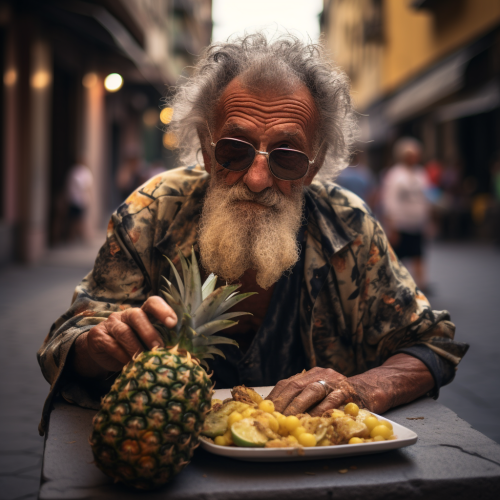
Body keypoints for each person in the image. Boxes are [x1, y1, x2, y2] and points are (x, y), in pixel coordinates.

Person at [37, 34, 467, 435]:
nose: (257, 178)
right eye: (234, 150)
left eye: (287, 157)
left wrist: (364, 388)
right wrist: (95, 346)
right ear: (207, 151)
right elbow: (65, 338)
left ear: (313, 167)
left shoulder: (348, 226)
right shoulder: (153, 211)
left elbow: (432, 343)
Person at [381, 138, 431, 291]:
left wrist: (429, 220)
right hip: (401, 224)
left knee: (419, 256)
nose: (415, 157)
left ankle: (421, 284)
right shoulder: (395, 175)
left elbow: (426, 197)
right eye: (411, 154)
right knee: (396, 258)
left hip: (417, 224)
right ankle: (392, 285)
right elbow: (389, 200)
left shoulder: (421, 173)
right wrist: (391, 224)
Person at [66, 160, 93, 242]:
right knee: (79, 219)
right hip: (79, 199)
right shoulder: (83, 172)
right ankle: (80, 236)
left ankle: (75, 236)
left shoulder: (74, 171)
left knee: (75, 219)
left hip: (75, 199)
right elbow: (87, 186)